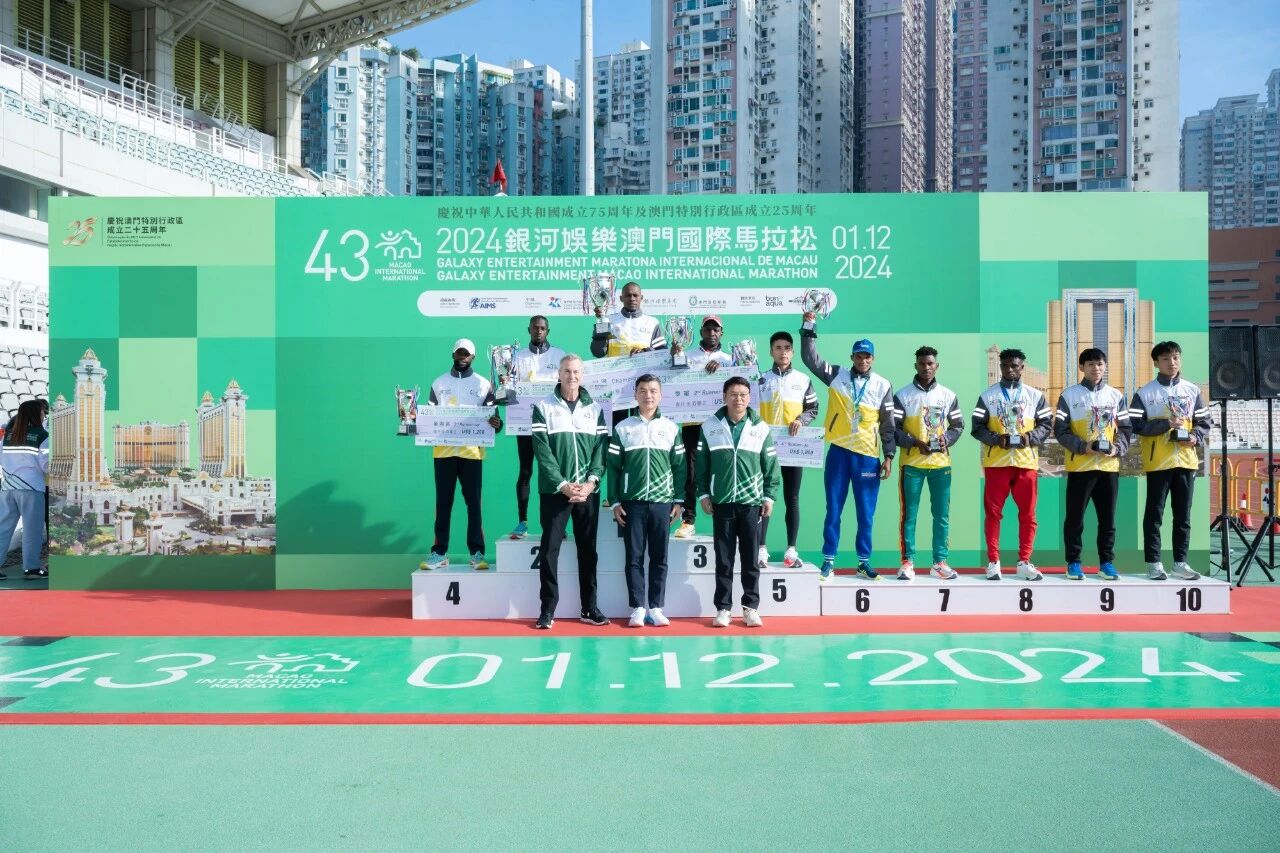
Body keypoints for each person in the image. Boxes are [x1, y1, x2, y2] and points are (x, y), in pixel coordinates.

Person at [801, 319, 895, 581]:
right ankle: (828, 561)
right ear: (852, 357)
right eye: (859, 356)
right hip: (839, 453)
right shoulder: (837, 375)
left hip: (867, 457)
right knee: (833, 509)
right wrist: (809, 325)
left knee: (866, 514)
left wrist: (889, 456)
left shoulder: (883, 384)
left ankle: (863, 562)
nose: (863, 360)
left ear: (873, 359)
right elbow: (810, 358)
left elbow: (888, 425)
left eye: (867, 356)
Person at [531, 354, 611, 629]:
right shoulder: (543, 407)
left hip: (587, 493)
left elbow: (600, 451)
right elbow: (542, 452)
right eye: (567, 371)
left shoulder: (595, 409)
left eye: (576, 371)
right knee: (549, 551)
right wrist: (563, 485)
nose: (572, 376)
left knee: (588, 551)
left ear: (582, 375)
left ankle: (589, 608)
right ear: (559, 374)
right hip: (555, 492)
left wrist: (590, 483)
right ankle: (547, 610)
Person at [696, 376, 780, 627]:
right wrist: (703, 494)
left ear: (749, 398)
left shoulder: (760, 427)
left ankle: (750, 608)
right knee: (724, 559)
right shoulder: (710, 426)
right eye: (733, 394)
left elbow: (770, 466)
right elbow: (701, 465)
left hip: (751, 503)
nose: (738, 399)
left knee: (750, 559)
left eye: (743, 394)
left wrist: (769, 496)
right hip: (722, 502)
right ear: (724, 397)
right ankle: (723, 608)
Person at [607, 374, 685, 627]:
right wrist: (615, 501)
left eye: (653, 391)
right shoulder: (623, 428)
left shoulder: (671, 428)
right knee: (634, 557)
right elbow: (613, 468)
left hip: (663, 503)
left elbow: (680, 467)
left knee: (660, 557)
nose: (648, 395)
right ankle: (638, 608)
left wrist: (678, 500)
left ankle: (656, 607)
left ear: (660, 395)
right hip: (633, 503)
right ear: (635, 394)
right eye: (642, 390)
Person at [1130, 340, 1211, 581]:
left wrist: (1195, 437)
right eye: (1165, 359)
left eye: (1175, 357)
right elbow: (1136, 425)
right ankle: (1154, 563)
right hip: (1158, 462)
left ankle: (1180, 563)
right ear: (1156, 363)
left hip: (1186, 461)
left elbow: (1204, 422)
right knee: (1154, 516)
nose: (1171, 363)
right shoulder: (1145, 393)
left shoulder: (1192, 390)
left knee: (1183, 517)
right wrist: (1166, 424)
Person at [420, 339, 503, 571]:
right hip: (443, 453)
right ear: (453, 354)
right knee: (443, 504)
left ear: (473, 357)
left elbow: (494, 420)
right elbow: (428, 418)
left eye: (467, 354)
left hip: (472, 453)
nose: (463, 357)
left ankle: (477, 553)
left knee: (474, 505)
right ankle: (439, 553)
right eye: (459, 353)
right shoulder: (439, 383)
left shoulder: (483, 384)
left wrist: (497, 424)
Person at [972, 348, 1052, 580]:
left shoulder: (1035, 396)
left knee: (1028, 514)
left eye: (1014, 366)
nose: (1009, 370)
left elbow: (1046, 425)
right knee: (993, 514)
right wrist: (996, 439)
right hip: (997, 462)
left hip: (1026, 462)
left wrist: (1029, 438)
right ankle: (993, 562)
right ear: (1000, 367)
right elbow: (977, 428)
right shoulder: (988, 396)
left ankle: (1024, 562)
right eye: (1005, 365)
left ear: (1022, 367)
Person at [1054, 348, 1133, 580]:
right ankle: (1073, 562)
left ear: (1105, 366)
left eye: (1099, 364)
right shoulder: (1069, 396)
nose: (1095, 368)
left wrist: (1118, 448)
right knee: (1075, 519)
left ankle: (1106, 562)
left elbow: (1126, 429)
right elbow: (1060, 430)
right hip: (1080, 467)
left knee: (1107, 520)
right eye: (1090, 364)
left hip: (1108, 468)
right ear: (1081, 367)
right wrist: (1082, 447)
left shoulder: (1116, 396)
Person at [891, 346, 964, 581]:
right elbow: (894, 430)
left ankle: (939, 562)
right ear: (916, 365)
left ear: (936, 366)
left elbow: (958, 426)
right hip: (911, 464)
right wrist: (914, 442)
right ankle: (907, 563)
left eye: (930, 363)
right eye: (922, 363)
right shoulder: (902, 395)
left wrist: (946, 439)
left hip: (940, 465)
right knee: (909, 516)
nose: (926, 367)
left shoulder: (948, 395)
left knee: (941, 515)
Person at [758, 331, 819, 569]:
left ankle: (791, 550)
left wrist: (801, 420)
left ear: (792, 352)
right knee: (763, 497)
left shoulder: (803, 379)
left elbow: (813, 407)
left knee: (792, 498)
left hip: (793, 447)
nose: (782, 352)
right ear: (771, 351)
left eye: (786, 348)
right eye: (778, 348)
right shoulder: (760, 379)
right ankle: (761, 549)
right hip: (765, 447)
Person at [674, 315, 733, 540]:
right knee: (690, 472)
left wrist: (723, 368)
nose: (711, 333)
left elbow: (742, 385)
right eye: (707, 329)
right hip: (692, 423)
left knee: (720, 470)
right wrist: (675, 356)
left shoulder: (729, 359)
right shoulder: (687, 355)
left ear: (722, 333)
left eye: (716, 329)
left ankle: (725, 518)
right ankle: (688, 520)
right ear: (701, 332)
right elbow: (672, 379)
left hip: (719, 424)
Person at [509, 315, 567, 540]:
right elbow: (508, 388)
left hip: (552, 425)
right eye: (535, 328)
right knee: (525, 471)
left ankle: (555, 524)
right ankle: (522, 521)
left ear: (547, 331)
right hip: (524, 425)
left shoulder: (559, 355)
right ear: (529, 330)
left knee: (553, 472)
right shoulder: (516, 357)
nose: (539, 331)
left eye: (543, 328)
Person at [0, 399, 49, 580]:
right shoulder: (41, 435)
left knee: (3, 529)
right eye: (42, 412)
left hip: (7, 488)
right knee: (32, 530)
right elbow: (47, 465)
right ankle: (31, 569)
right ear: (35, 413)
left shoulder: (8, 435)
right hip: (31, 488)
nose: (44, 415)